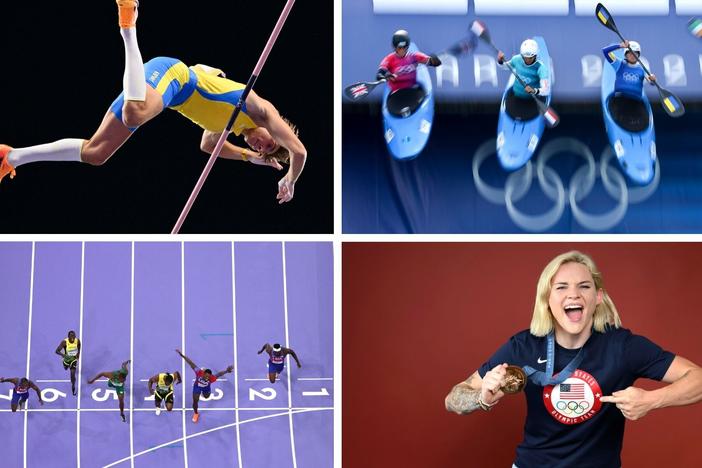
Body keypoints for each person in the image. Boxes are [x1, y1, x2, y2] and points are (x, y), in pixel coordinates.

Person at [0, 0, 306, 205]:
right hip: (174, 76)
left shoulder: (229, 127)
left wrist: (246, 158)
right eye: (267, 145)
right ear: (273, 132)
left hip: (163, 93)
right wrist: (290, 179)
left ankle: (11, 157)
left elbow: (208, 145)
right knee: (136, 114)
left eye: (263, 152)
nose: (261, 147)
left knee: (97, 152)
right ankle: (128, 24)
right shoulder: (260, 110)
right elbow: (299, 150)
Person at [444, 251, 702, 468]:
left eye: (584, 286)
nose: (574, 295)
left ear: (597, 297)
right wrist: (481, 397)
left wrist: (652, 400)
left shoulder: (623, 346)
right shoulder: (523, 346)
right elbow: (453, 399)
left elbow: (698, 379)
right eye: (561, 287)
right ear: (547, 299)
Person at [175, 349, 233, 423]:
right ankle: (196, 413)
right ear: (203, 374)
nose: (206, 378)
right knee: (195, 401)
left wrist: (226, 371)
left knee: (206, 397)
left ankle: (204, 394)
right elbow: (190, 363)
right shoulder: (198, 372)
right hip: (197, 387)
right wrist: (182, 355)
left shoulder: (212, 378)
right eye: (205, 376)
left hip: (206, 388)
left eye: (208, 377)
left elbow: (219, 374)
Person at [376, 30, 441, 93]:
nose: (401, 50)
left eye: (404, 47)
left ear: (407, 46)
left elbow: (433, 62)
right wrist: (384, 76)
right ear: (394, 47)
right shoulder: (389, 59)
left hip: (412, 91)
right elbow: (380, 73)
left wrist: (434, 61)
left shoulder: (415, 56)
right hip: (395, 94)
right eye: (399, 47)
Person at [55, 330, 81, 396]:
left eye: (74, 335)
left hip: (73, 359)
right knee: (66, 368)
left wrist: (78, 353)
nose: (73, 337)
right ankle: (66, 366)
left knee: (72, 374)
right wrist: (63, 355)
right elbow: (57, 351)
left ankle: (73, 384)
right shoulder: (64, 342)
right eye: (71, 336)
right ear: (68, 336)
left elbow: (79, 346)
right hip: (66, 360)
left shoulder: (77, 341)